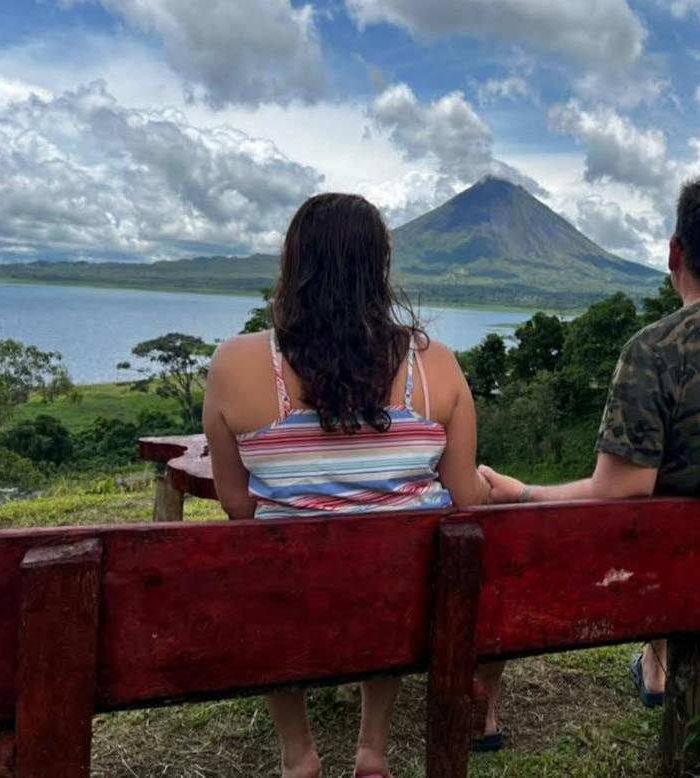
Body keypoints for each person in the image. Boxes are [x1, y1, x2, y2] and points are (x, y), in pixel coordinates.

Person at [480, 177, 700, 708]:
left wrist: (523, 494)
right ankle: (660, 664)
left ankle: (657, 664)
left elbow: (620, 491)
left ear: (675, 252)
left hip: (668, 581)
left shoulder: (656, 349)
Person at [203, 193, 494, 778]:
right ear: (379, 268)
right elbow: (466, 498)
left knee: (269, 568)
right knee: (392, 563)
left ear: (293, 264)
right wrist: (497, 487)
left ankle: (298, 754)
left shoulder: (235, 363)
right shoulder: (435, 365)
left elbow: (237, 505)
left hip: (287, 605)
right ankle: (372, 750)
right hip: (404, 604)